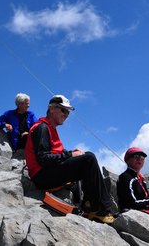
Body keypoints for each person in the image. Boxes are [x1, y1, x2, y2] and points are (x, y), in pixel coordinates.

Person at [24, 95, 115, 224]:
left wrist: (72, 153)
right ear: (51, 109)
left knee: (87, 156)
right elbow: (43, 159)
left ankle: (92, 203)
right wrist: (70, 155)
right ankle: (99, 210)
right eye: (63, 110)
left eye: (68, 112)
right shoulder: (42, 127)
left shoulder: (50, 128)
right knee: (88, 159)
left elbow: (55, 154)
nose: (66, 114)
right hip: (42, 177)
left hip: (48, 172)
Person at [117, 147, 149, 212]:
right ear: (128, 160)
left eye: (142, 157)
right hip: (132, 213)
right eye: (136, 156)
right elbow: (131, 203)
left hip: (144, 211)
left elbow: (146, 198)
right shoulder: (125, 177)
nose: (140, 159)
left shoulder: (140, 178)